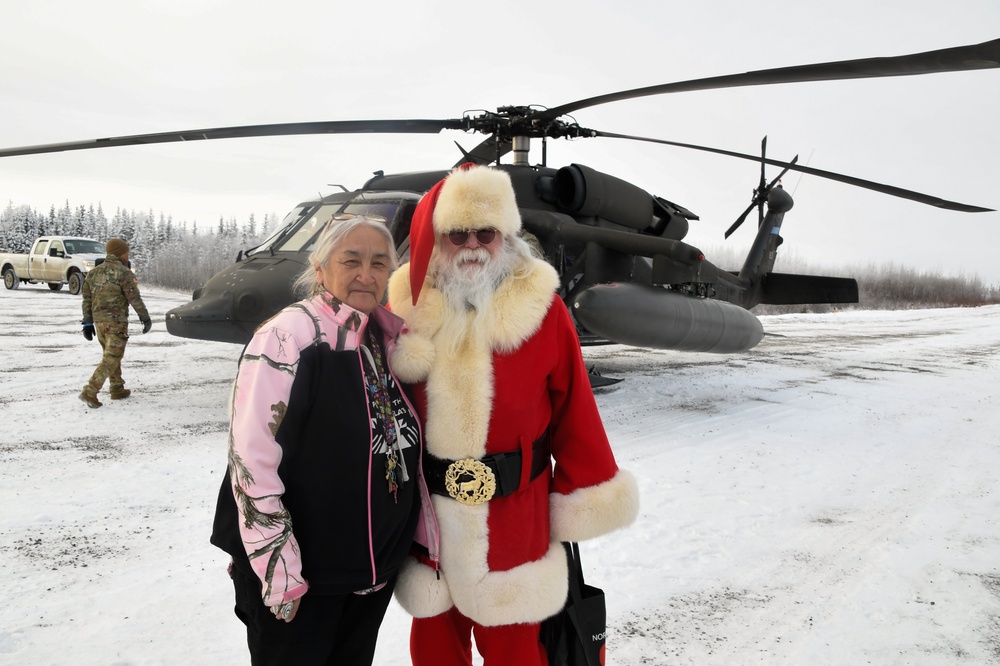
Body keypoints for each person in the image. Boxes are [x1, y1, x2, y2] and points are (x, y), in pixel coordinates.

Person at [387, 164, 640, 666]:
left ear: (507, 236)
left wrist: (583, 493)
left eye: (487, 233)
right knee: (434, 648)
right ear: (438, 239)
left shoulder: (541, 310)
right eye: (458, 234)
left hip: (515, 518)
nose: (473, 245)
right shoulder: (405, 307)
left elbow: (575, 408)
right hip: (430, 522)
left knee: (517, 651)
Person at [210, 214, 431, 666]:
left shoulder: (385, 338)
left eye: (378, 262)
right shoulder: (288, 338)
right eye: (351, 260)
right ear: (320, 267)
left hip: (369, 573)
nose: (366, 274)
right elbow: (252, 460)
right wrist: (279, 570)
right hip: (305, 576)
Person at [79, 237, 152, 408]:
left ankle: (117, 387)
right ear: (121, 253)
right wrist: (145, 317)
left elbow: (86, 300)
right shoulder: (124, 272)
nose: (128, 255)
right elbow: (134, 298)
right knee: (112, 356)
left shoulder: (93, 273)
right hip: (116, 322)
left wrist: (88, 323)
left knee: (110, 355)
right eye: (126, 252)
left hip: (99, 323)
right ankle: (90, 390)